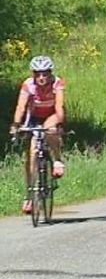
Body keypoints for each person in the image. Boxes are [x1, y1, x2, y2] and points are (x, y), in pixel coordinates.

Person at [9, 55, 66, 214]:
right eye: (37, 74)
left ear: (50, 73)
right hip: (34, 117)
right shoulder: (28, 85)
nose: (41, 77)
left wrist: (59, 122)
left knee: (50, 130)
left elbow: (59, 106)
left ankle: (57, 160)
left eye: (45, 74)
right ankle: (29, 196)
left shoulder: (57, 83)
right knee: (32, 156)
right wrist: (16, 125)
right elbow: (21, 107)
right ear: (33, 74)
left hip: (52, 114)